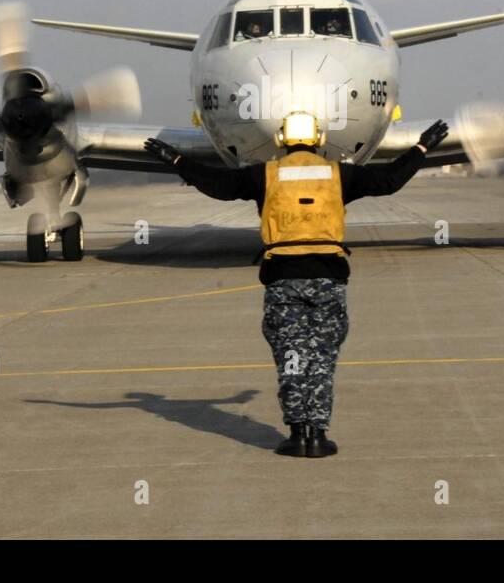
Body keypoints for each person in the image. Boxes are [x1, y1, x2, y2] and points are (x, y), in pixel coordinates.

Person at [144, 113, 449, 458]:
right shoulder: (338, 175)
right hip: (328, 278)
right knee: (321, 358)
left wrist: (178, 160)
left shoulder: (266, 175)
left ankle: (296, 433)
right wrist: (421, 148)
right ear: (319, 139)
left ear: (281, 140)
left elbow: (219, 185)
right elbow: (389, 180)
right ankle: (318, 436)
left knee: (291, 357)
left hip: (283, 278)